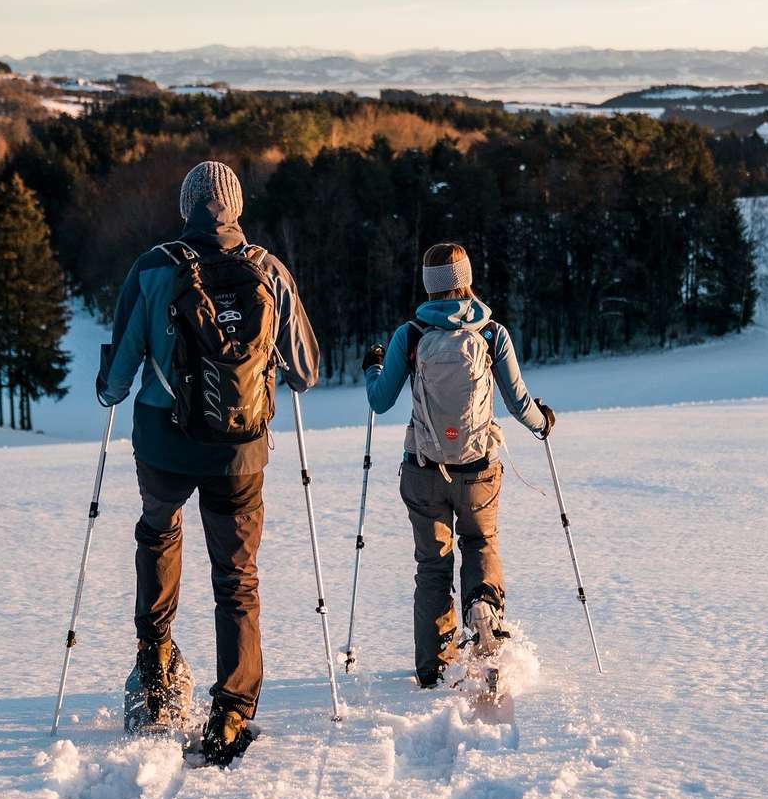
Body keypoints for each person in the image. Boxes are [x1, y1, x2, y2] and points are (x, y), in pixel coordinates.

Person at [96, 161, 319, 764]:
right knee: (238, 578)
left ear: (186, 206)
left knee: (158, 533)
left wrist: (109, 383)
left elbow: (118, 381)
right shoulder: (269, 270)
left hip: (164, 444)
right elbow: (305, 371)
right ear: (237, 206)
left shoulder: (153, 268)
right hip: (241, 452)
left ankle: (155, 661)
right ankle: (232, 710)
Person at [362, 242, 555, 688]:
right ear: (467, 279)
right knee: (480, 543)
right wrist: (541, 422)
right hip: (478, 469)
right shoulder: (492, 334)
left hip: (424, 468)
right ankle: (483, 610)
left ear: (429, 286)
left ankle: (432, 668)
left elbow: (380, 399)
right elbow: (517, 400)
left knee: (432, 565)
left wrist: (373, 367)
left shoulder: (409, 335)